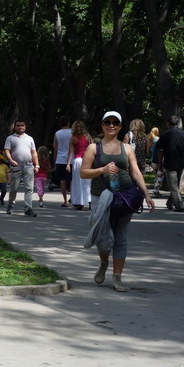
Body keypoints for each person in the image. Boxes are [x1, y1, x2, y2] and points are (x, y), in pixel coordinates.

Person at [80, 110, 154, 292]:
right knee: (103, 237)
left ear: (120, 126)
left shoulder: (127, 148)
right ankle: (104, 264)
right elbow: (83, 172)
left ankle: (117, 278)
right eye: (108, 122)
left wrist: (146, 193)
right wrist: (102, 170)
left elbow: (135, 171)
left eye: (115, 122)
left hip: (125, 195)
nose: (111, 125)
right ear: (103, 125)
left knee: (120, 237)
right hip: (101, 196)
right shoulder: (93, 148)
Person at [4, 119, 39, 217]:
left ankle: (28, 208)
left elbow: (33, 152)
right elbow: (7, 150)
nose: (20, 127)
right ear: (14, 127)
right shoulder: (10, 138)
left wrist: (36, 165)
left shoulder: (30, 138)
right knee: (14, 188)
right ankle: (10, 204)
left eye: (22, 125)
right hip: (16, 166)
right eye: (18, 125)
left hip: (28, 166)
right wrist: (11, 160)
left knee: (29, 188)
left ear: (25, 127)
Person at [156, 115, 184, 212]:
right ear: (177, 124)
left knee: (173, 186)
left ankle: (179, 206)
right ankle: (169, 203)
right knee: (175, 186)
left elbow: (160, 150)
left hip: (170, 162)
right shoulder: (183, 134)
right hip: (181, 162)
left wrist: (160, 162)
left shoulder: (165, 134)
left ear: (168, 124)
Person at [67, 120, 93, 210]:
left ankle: (79, 202)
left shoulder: (73, 138)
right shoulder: (88, 137)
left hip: (78, 160)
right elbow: (92, 147)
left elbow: (70, 152)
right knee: (88, 181)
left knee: (78, 181)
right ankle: (90, 201)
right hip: (87, 159)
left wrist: (67, 164)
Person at [53, 116, 72, 207]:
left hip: (60, 159)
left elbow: (55, 147)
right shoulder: (72, 132)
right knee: (72, 180)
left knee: (62, 181)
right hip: (71, 159)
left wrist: (55, 160)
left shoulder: (57, 133)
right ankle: (73, 198)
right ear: (68, 122)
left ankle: (65, 201)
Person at [149, 127, 163, 196]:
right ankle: (156, 189)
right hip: (158, 159)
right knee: (160, 175)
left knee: (156, 175)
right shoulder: (158, 139)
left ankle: (155, 187)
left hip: (152, 160)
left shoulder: (151, 139)